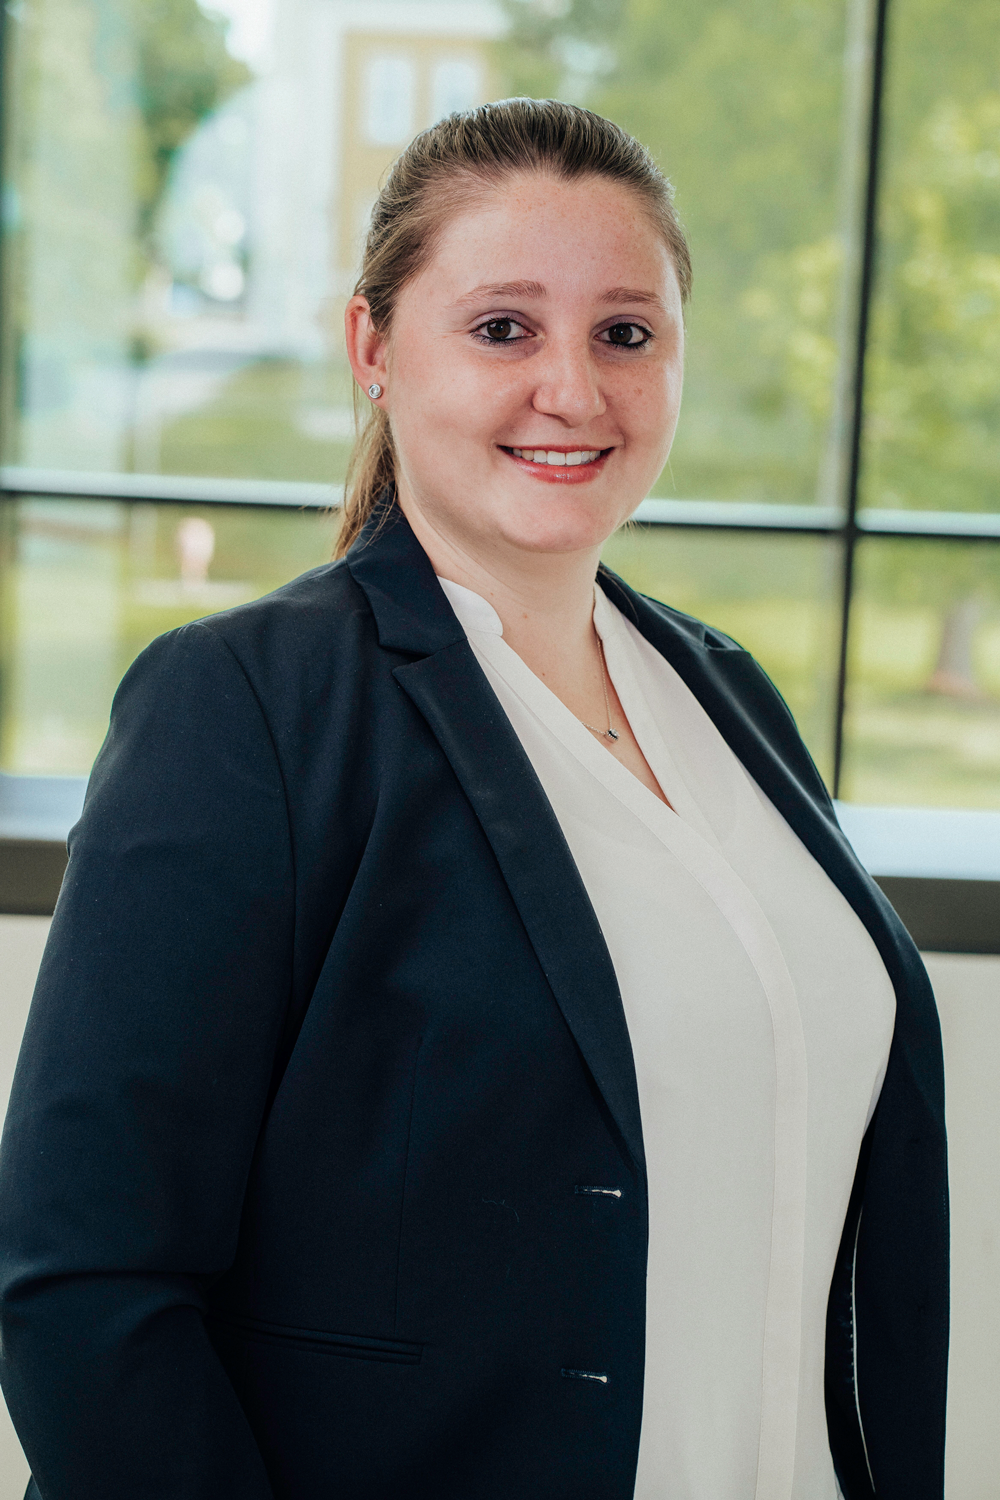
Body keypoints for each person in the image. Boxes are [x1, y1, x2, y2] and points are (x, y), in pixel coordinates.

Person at [0, 99, 946, 1500]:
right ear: (373, 349)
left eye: (625, 333)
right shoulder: (247, 706)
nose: (573, 388)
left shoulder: (727, 694)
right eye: (504, 328)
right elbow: (84, 1284)